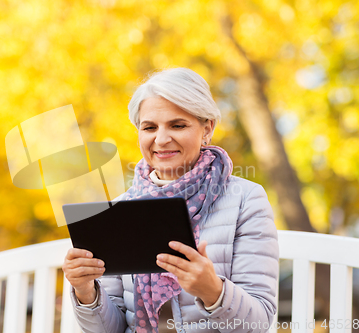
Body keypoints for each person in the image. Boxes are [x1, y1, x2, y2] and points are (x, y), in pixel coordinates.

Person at [62, 68, 279, 333]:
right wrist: (85, 291)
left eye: (178, 125)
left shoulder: (246, 200)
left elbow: (258, 324)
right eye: (149, 127)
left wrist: (213, 290)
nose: (162, 139)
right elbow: (112, 329)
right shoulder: (120, 209)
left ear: (207, 128)